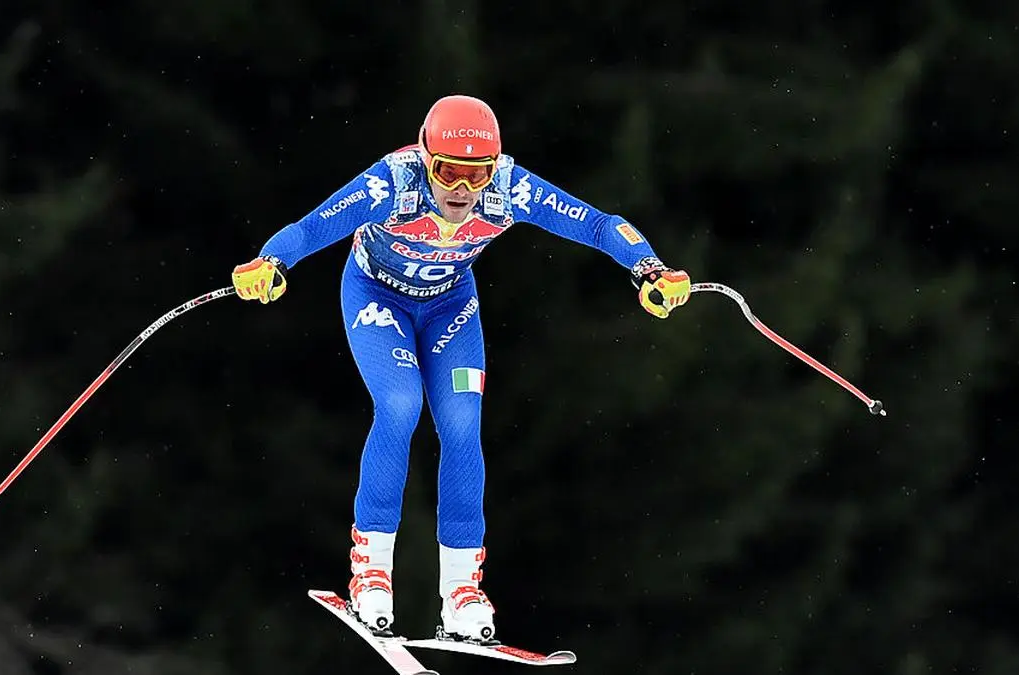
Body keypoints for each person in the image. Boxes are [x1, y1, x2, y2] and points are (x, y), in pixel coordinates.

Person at [231, 95, 691, 643]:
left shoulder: (509, 189)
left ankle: (462, 591)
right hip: (377, 297)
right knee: (400, 406)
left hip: (451, 305)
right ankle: (371, 572)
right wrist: (270, 261)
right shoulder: (393, 184)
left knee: (461, 423)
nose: (462, 189)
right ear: (426, 160)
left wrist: (650, 269)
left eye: (477, 175)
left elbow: (597, 224)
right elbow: (310, 228)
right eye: (449, 171)